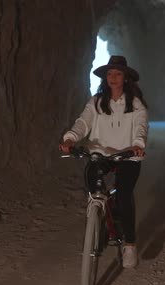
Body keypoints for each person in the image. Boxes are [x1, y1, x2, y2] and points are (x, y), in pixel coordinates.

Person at [60, 55, 149, 268]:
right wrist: (71, 138)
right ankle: (98, 220)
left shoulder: (136, 104)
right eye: (110, 74)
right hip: (100, 153)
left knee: (124, 194)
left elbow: (141, 126)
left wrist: (137, 145)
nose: (113, 77)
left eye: (118, 74)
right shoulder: (97, 101)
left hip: (128, 155)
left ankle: (129, 245)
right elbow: (83, 122)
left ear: (126, 78)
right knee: (94, 185)